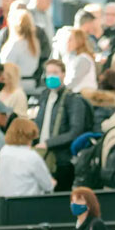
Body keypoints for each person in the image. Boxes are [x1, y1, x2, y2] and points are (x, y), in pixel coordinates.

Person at [34, 59, 90, 191]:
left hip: (62, 159)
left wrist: (49, 143)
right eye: (48, 73)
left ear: (63, 74)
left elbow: (75, 131)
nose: (51, 76)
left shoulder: (73, 99)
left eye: (55, 72)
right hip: (42, 155)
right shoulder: (44, 96)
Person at [0, 117, 55, 197]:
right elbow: (48, 186)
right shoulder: (32, 156)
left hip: (2, 203)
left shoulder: (4, 151)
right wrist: (52, 182)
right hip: (24, 203)